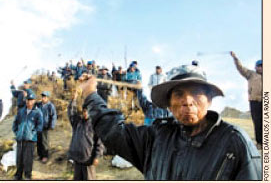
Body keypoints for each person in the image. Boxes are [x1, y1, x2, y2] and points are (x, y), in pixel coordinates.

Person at [79, 64, 261, 180]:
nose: (188, 101)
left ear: (209, 100)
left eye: (197, 93)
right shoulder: (156, 137)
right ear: (169, 105)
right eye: (179, 94)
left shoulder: (234, 142)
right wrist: (90, 95)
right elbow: (113, 131)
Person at [230, 51, 262, 149]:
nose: (261, 67)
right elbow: (240, 68)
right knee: (257, 122)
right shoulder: (250, 74)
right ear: (255, 67)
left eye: (263, 66)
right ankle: (260, 143)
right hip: (254, 101)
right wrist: (235, 58)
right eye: (259, 66)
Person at [67, 106, 104, 180]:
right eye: (84, 111)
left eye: (88, 111)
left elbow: (100, 143)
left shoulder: (95, 125)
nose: (86, 113)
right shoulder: (77, 123)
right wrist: (73, 100)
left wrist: (97, 157)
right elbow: (71, 114)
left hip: (88, 159)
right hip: (77, 159)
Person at [12, 93, 43, 180]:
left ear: (34, 101)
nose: (29, 102)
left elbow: (40, 126)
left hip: (30, 140)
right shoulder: (21, 111)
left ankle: (27, 176)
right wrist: (17, 132)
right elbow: (15, 123)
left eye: (31, 100)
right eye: (27, 100)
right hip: (20, 139)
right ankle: (18, 175)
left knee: (28, 159)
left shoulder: (37, 112)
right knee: (19, 158)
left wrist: (33, 134)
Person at [36, 91, 57, 163]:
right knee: (38, 141)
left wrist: (52, 125)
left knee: (45, 141)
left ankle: (45, 156)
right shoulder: (38, 104)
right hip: (38, 125)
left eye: (45, 97)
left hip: (45, 126)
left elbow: (53, 116)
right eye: (42, 97)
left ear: (47, 98)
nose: (43, 98)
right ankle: (40, 155)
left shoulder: (50, 106)